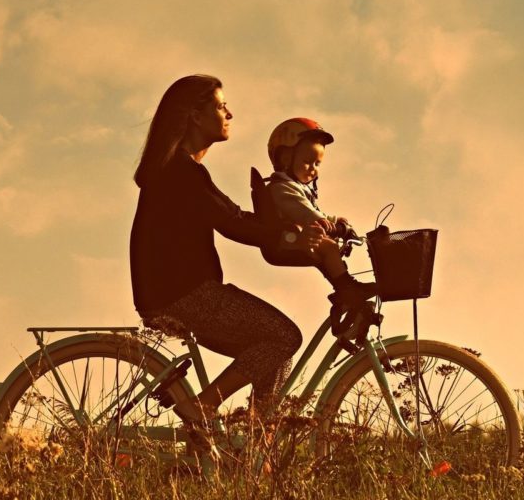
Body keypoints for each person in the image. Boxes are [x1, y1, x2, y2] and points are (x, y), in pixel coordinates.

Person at [129, 75, 323, 425]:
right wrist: (291, 235)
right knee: (284, 337)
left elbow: (234, 216)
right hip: (185, 296)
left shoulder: (182, 170)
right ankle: (203, 405)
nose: (229, 113)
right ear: (194, 116)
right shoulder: (181, 172)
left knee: (273, 355)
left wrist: (286, 231)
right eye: (221, 106)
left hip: (176, 292)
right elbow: (233, 224)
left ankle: (256, 446)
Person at [266, 117, 376, 306]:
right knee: (329, 247)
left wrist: (335, 220)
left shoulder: (294, 186)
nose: (314, 170)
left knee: (327, 246)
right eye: (308, 162)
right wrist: (331, 226)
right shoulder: (282, 188)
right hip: (286, 239)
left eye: (318, 164)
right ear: (285, 159)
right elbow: (305, 212)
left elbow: (312, 211)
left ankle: (343, 287)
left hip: (295, 235)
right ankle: (346, 288)